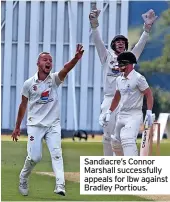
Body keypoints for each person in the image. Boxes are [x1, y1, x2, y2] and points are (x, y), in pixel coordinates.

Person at [11, 44, 84, 196]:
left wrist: (75, 59)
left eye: (50, 60)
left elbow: (65, 69)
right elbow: (23, 106)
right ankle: (23, 177)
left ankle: (60, 185)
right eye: (45, 59)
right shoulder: (29, 84)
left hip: (53, 124)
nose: (48, 62)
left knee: (57, 153)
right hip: (35, 125)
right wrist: (17, 127)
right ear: (38, 63)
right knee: (35, 157)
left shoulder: (54, 79)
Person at [89, 8, 157, 156]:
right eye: (117, 42)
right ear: (113, 45)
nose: (120, 44)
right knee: (108, 135)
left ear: (125, 45)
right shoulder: (106, 57)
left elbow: (140, 45)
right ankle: (108, 165)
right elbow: (98, 42)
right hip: (110, 99)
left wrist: (146, 29)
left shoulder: (131, 57)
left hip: (126, 101)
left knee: (122, 137)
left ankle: (123, 166)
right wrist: (94, 24)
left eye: (122, 42)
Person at [101, 51, 153, 156]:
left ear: (129, 64)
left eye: (121, 63)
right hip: (121, 114)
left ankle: (133, 169)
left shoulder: (138, 78)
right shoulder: (119, 79)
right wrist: (109, 112)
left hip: (134, 114)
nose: (118, 66)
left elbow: (148, 94)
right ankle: (123, 168)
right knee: (115, 142)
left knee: (127, 139)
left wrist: (149, 111)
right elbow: (117, 97)